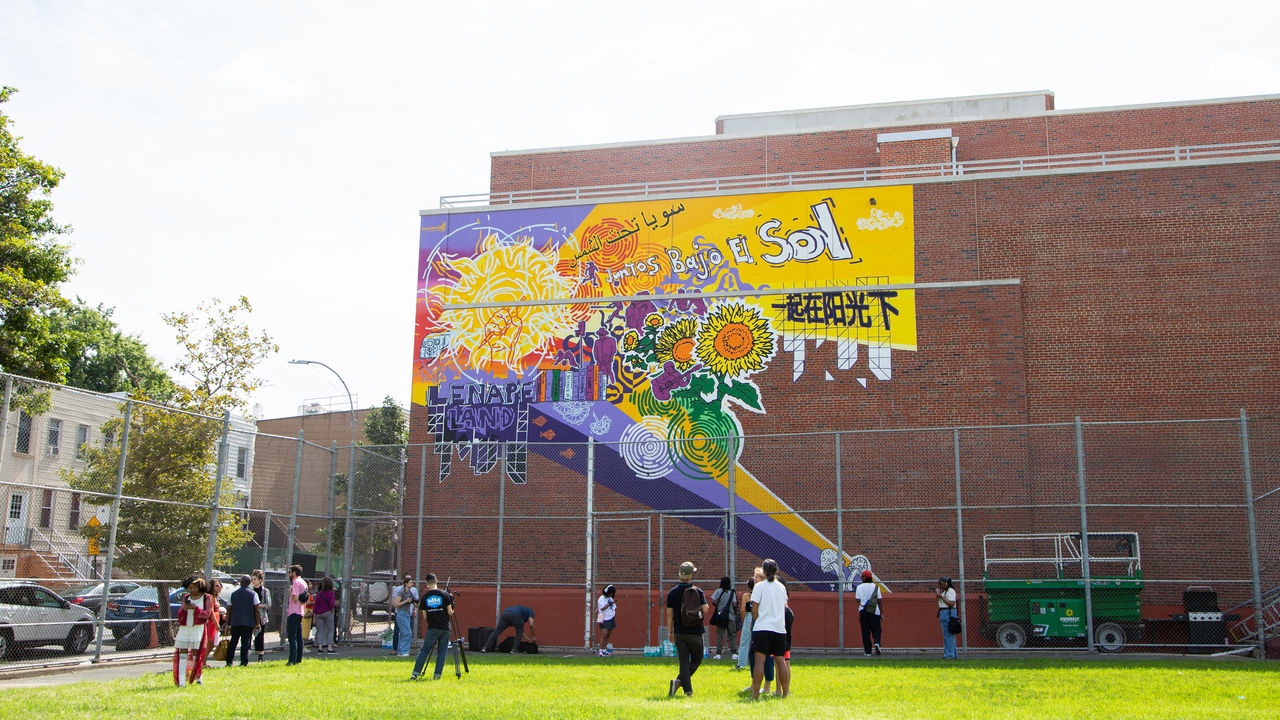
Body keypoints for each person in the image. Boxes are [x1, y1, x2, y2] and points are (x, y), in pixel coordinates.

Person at [665, 560, 709, 698]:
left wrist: (670, 632)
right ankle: (679, 683)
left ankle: (686, 689)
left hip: (679, 632)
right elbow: (706, 609)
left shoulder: (672, 593)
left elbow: (669, 614)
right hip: (695, 631)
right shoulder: (698, 591)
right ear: (691, 576)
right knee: (697, 659)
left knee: (683, 661)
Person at [749, 558, 790, 699]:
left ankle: (755, 695)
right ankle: (785, 694)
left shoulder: (759, 587)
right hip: (779, 629)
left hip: (762, 628)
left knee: (759, 661)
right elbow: (784, 607)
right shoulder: (781, 587)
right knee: (780, 661)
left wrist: (757, 622)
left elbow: (754, 609)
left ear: (764, 571)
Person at [411, 573, 454, 680]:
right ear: (436, 581)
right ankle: (437, 675)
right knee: (442, 652)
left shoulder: (425, 596)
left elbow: (425, 616)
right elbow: (449, 612)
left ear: (427, 583)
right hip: (444, 627)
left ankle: (416, 673)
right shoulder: (445, 594)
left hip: (433, 628)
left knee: (425, 650)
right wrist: (453, 610)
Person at [173, 576, 213, 686]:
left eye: (194, 588)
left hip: (198, 628)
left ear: (200, 587)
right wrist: (184, 609)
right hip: (185, 627)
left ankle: (198, 678)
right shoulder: (186, 597)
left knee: (196, 653)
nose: (192, 590)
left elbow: (208, 614)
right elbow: (180, 614)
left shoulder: (206, 598)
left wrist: (196, 609)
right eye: (190, 588)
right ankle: (181, 682)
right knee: (183, 653)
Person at [225, 574, 259, 667]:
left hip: (235, 622)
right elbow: (257, 609)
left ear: (240, 582)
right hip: (248, 622)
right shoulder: (253, 594)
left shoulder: (233, 594)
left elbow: (228, 609)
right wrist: (258, 623)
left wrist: (227, 623)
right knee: (245, 643)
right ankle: (244, 662)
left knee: (233, 642)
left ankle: (229, 661)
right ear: (249, 583)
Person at [199, 578, 224, 678]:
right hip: (211, 621)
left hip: (217, 619)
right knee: (209, 642)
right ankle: (202, 662)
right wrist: (215, 623)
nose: (219, 587)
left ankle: (204, 661)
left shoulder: (217, 597)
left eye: (220, 585)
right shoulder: (210, 596)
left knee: (213, 643)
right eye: (217, 585)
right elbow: (211, 611)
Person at [855, 569, 882, 656]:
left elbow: (857, 600)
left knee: (865, 631)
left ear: (865, 578)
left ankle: (868, 651)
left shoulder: (859, 587)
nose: (861, 578)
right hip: (875, 611)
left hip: (863, 611)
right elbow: (879, 600)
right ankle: (877, 643)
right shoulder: (876, 587)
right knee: (877, 629)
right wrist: (881, 613)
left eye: (862, 577)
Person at [709, 576, 737, 660]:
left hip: (720, 617)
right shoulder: (732, 593)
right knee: (732, 635)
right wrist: (735, 612)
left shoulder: (718, 591)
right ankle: (734, 653)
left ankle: (718, 653)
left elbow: (713, 600)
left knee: (720, 635)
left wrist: (718, 606)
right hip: (730, 616)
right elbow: (734, 604)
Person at [392, 574, 419, 657]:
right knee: (407, 632)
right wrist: (406, 601)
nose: (412, 584)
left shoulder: (410, 592)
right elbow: (396, 604)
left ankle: (400, 651)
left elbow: (416, 603)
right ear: (406, 583)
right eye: (410, 583)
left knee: (404, 633)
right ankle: (404, 652)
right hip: (401, 614)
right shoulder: (401, 592)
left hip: (407, 614)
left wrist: (415, 604)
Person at [286, 564, 307, 665]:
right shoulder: (303, 582)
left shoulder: (296, 582)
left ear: (294, 573)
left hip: (294, 611)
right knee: (299, 636)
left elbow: (295, 598)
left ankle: (292, 659)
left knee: (292, 636)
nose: (289, 574)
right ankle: (298, 658)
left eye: (290, 572)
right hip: (301, 611)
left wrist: (291, 592)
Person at [735, 573, 757, 671]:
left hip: (749, 617)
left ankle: (742, 663)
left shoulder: (746, 596)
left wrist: (746, 618)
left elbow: (743, 610)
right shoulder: (759, 595)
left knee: (744, 641)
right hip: (758, 618)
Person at [936, 576, 959, 659]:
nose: (942, 586)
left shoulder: (950, 591)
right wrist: (940, 594)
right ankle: (952, 653)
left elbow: (952, 603)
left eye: (943, 584)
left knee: (948, 634)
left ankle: (949, 655)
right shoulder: (944, 592)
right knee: (947, 634)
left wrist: (941, 596)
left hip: (948, 612)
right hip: (943, 612)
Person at [251, 569, 271, 662]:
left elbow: (268, 605)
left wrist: (259, 605)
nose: (253, 581)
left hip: (261, 616)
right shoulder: (250, 591)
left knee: (260, 636)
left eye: (255, 579)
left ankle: (260, 656)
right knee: (248, 635)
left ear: (260, 580)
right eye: (252, 579)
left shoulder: (265, 591)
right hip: (251, 616)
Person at [313, 577, 337, 655]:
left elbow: (315, 605)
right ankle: (329, 647)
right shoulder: (331, 593)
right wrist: (332, 610)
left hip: (319, 614)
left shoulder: (319, 594)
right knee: (330, 630)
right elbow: (332, 603)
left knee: (320, 630)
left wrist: (315, 616)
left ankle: (320, 647)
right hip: (328, 612)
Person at [596, 585, 617, 656]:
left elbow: (614, 607)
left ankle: (604, 650)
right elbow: (602, 608)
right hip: (604, 618)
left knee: (608, 635)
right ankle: (600, 650)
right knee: (604, 635)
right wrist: (609, 604)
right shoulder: (601, 599)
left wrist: (612, 604)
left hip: (611, 617)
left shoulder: (610, 598)